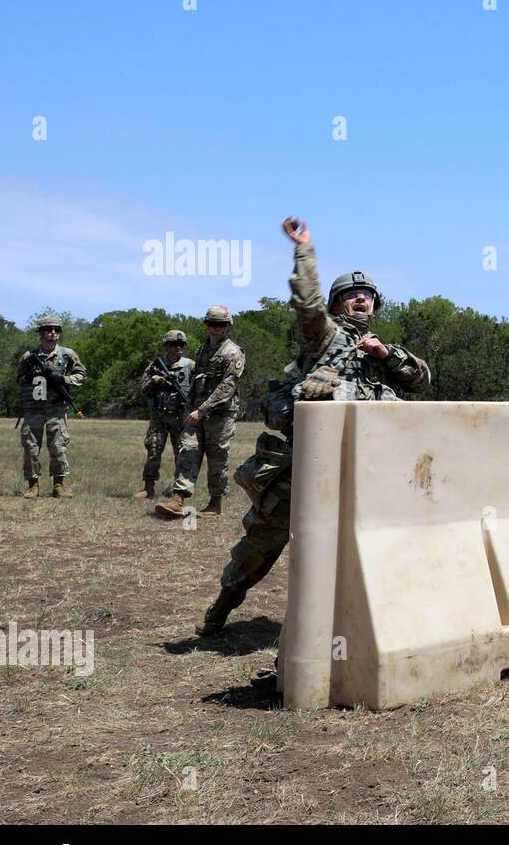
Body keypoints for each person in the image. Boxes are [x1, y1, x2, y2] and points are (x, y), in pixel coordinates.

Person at [194, 217, 431, 636]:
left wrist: (386, 354)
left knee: (367, 546)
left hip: (363, 472)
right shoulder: (324, 336)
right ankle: (225, 603)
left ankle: (366, 625)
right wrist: (304, 250)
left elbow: (422, 380)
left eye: (367, 296)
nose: (361, 301)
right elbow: (306, 303)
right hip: (303, 466)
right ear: (338, 304)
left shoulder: (383, 354)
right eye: (352, 296)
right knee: (263, 540)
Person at [156, 307, 245, 519]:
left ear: (227, 326)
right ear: (206, 324)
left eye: (221, 324)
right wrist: (192, 408)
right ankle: (178, 499)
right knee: (188, 450)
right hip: (196, 411)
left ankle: (215, 503)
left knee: (217, 457)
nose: (216, 328)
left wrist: (203, 409)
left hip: (220, 414)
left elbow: (227, 386)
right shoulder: (203, 349)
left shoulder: (232, 352)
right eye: (213, 323)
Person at [17, 313, 87, 499]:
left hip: (57, 408)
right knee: (31, 447)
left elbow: (81, 375)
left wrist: (63, 379)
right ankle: (33, 486)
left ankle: (59, 485)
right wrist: (30, 377)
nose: (52, 333)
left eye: (56, 330)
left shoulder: (67, 354)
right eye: (48, 329)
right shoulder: (29, 356)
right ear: (41, 332)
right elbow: (19, 378)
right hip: (34, 409)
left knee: (58, 446)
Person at [134, 330, 195, 499]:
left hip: (181, 417)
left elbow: (198, 389)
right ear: (166, 346)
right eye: (175, 344)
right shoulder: (155, 366)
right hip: (159, 417)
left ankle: (179, 491)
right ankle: (148, 487)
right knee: (153, 451)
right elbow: (143, 390)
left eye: (182, 344)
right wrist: (154, 381)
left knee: (182, 454)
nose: (179, 348)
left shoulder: (190, 365)